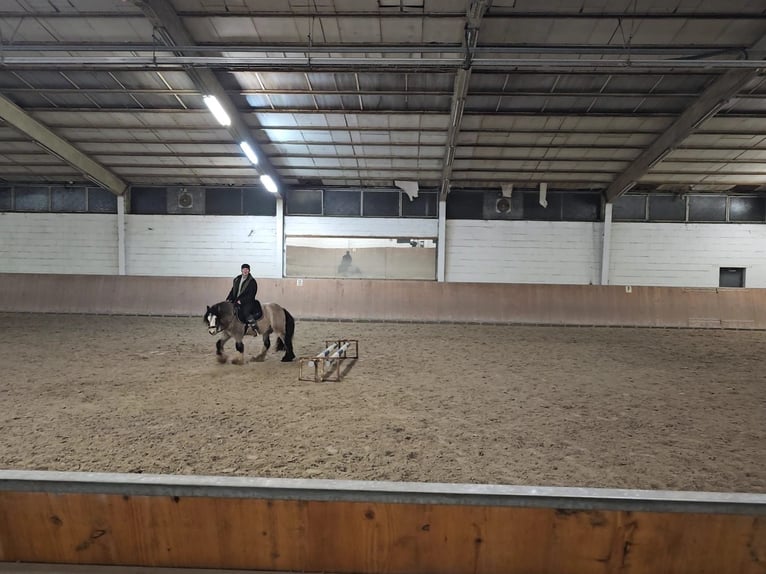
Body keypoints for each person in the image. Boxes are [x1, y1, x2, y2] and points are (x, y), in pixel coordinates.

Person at [226, 263, 261, 330]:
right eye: (244, 269)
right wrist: (228, 299)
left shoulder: (252, 282)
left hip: (248, 301)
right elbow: (233, 290)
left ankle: (252, 325)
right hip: (236, 300)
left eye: (247, 269)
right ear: (241, 270)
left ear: (249, 271)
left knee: (245, 312)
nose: (245, 271)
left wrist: (241, 301)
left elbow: (251, 295)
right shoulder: (237, 279)